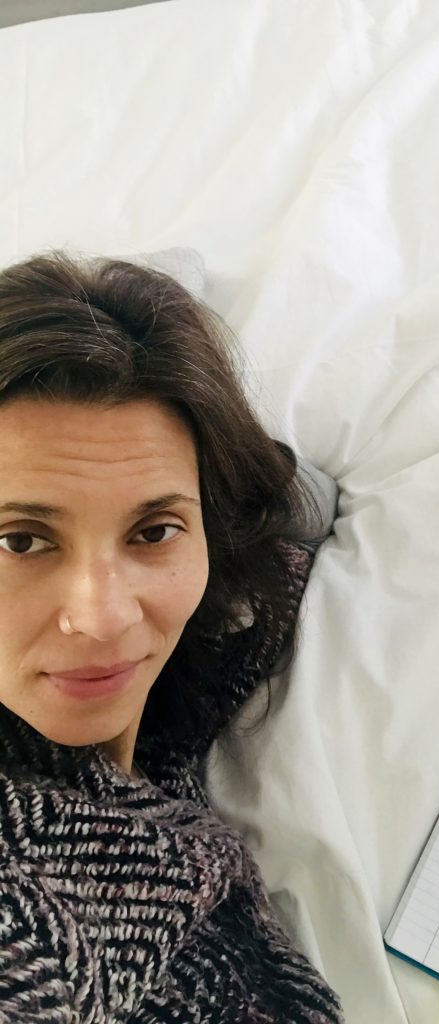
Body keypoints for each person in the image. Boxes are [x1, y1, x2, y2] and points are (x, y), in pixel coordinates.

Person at [0, 251, 343, 1023]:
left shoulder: (224, 611)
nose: (103, 618)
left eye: (153, 530)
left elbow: (300, 501)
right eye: (20, 541)